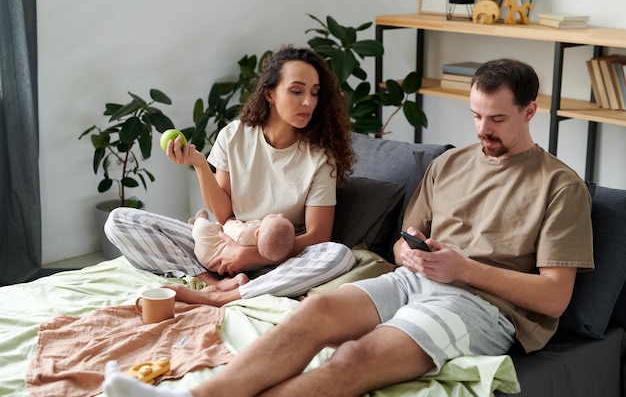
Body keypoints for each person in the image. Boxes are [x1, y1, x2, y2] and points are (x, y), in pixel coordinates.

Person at [102, 58, 594, 397]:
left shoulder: (560, 187)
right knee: (313, 314)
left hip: (483, 305)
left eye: (498, 120)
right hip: (412, 279)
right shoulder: (450, 164)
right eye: (476, 116)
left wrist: (462, 268)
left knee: (353, 360)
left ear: (531, 111)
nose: (483, 131)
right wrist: (408, 253)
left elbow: (553, 298)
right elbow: (409, 235)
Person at [104, 45, 357, 306]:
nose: (308, 102)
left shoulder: (320, 158)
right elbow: (224, 216)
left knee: (340, 255)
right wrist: (201, 165)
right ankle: (212, 285)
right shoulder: (233, 135)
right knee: (119, 220)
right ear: (269, 94)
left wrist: (251, 256)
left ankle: (229, 296)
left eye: (314, 93)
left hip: (281, 258)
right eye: (296, 91)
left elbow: (318, 236)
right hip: (226, 243)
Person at [191, 212, 296, 289]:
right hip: (232, 268)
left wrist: (230, 220)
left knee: (201, 229)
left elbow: (227, 225)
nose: (281, 214)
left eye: (273, 216)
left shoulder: (247, 232)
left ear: (257, 233)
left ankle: (199, 219)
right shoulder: (269, 254)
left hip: (209, 255)